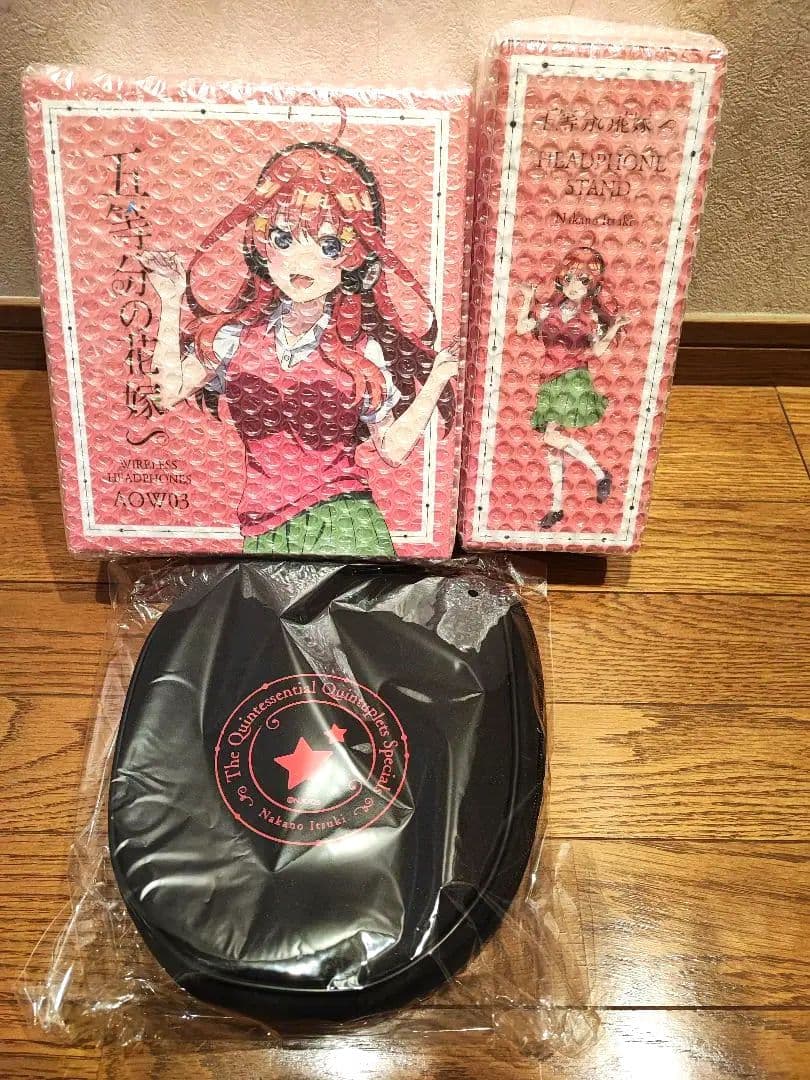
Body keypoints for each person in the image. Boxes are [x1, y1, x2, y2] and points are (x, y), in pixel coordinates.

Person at [139, 140, 458, 556]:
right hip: (262, 526)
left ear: (356, 259)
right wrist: (170, 299)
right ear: (260, 245)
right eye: (283, 237)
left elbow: (393, 451)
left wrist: (438, 377)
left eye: (329, 246)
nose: (301, 262)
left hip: (345, 521)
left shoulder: (361, 352)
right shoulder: (236, 338)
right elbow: (166, 393)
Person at [515, 246, 630, 528]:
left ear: (592, 286)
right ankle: (557, 508)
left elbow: (599, 351)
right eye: (569, 279)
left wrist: (615, 327)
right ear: (561, 281)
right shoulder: (548, 309)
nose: (574, 286)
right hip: (548, 379)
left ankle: (599, 472)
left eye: (582, 280)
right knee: (551, 448)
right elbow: (521, 328)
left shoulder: (591, 318)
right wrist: (528, 298)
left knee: (551, 436)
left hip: (572, 377)